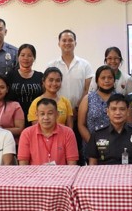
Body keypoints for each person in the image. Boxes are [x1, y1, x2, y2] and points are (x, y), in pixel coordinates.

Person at [48, 29, 93, 164]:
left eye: (70, 40)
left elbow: (87, 88)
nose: (67, 43)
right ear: (59, 43)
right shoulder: (52, 65)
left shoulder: (84, 65)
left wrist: (78, 107)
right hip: (58, 114)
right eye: (64, 40)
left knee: (78, 149)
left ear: (75, 43)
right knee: (58, 148)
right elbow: (49, 88)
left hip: (79, 113)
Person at [86, 93, 132, 165]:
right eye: (113, 109)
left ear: (127, 112)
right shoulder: (97, 133)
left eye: (122, 109)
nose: (118, 113)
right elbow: (92, 163)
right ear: (107, 111)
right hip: (106, 175)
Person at [18, 98, 78, 165]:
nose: (46, 117)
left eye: (50, 113)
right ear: (37, 115)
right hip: (35, 174)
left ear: (57, 115)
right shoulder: (27, 133)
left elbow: (72, 164)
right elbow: (23, 165)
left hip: (61, 174)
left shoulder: (68, 133)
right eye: (42, 114)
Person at [7, 44, 43, 128]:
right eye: (22, 55)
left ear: (34, 58)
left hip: (35, 118)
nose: (25, 58)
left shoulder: (40, 76)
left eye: (29, 55)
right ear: (18, 57)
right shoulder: (10, 75)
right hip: (14, 118)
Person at [78, 65, 116, 144]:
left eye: (110, 77)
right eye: (103, 78)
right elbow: (81, 125)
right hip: (91, 144)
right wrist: (93, 144)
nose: (106, 80)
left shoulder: (120, 98)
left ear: (114, 80)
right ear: (97, 81)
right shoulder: (88, 98)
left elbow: (127, 123)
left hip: (116, 145)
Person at [0, 74, 25, 144]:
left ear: (7, 89)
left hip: (10, 144)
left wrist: (1, 130)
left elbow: (20, 129)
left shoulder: (15, 106)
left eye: (2, 87)